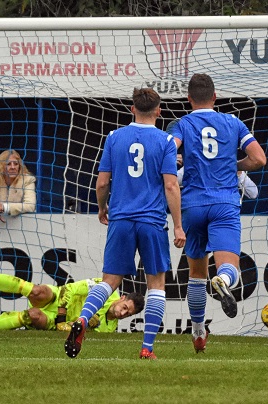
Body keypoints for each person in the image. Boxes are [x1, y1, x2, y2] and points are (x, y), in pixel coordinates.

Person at [65, 88, 185, 360]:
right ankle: (147, 348)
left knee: (109, 281)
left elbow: (102, 181)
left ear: (132, 108)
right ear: (158, 111)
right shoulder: (166, 141)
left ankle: (83, 320)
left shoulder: (114, 137)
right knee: (156, 283)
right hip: (151, 220)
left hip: (120, 218)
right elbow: (170, 185)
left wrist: (101, 206)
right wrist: (178, 225)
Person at [168, 73, 266, 353]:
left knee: (196, 273)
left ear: (189, 100)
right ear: (215, 96)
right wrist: (233, 164)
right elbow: (259, 158)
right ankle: (222, 281)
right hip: (224, 203)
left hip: (193, 204)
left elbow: (168, 150)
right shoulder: (232, 122)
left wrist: (176, 160)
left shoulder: (182, 124)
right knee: (228, 268)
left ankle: (198, 332)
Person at [0, 257, 144, 332]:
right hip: (58, 297)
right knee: (37, 290)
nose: (122, 313)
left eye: (128, 314)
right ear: (122, 298)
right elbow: (72, 288)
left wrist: (71, 326)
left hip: (55, 321)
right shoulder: (106, 289)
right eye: (125, 307)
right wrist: (62, 312)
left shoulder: (108, 329)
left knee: (32, 316)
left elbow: (75, 335)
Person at [177, 154, 258, 200]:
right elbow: (170, 183)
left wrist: (239, 172)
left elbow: (253, 193)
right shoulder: (194, 164)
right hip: (198, 210)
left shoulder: (230, 164)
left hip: (223, 211)